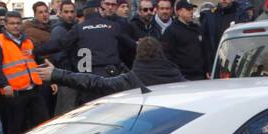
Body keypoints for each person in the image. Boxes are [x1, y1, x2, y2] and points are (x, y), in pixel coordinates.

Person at [40, 36, 184, 96]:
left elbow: (94, 82)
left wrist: (56, 74)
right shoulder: (178, 78)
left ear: (138, 55)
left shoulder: (131, 79)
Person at [0, 10, 50, 134]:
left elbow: (36, 60)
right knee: (15, 131)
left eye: (18, 23)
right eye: (12, 23)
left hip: (33, 89)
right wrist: (4, 85)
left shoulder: (27, 41)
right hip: (14, 92)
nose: (15, 26)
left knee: (43, 126)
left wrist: (49, 79)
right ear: (5, 25)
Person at [161, 0, 206, 80]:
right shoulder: (171, 31)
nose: (191, 12)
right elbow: (167, 57)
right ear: (179, 12)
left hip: (200, 75)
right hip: (183, 77)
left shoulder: (196, 28)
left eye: (192, 9)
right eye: (188, 9)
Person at [199, 0, 240, 71]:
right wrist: (208, 67)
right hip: (215, 61)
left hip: (236, 61)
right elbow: (205, 43)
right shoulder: (210, 15)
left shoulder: (240, 13)